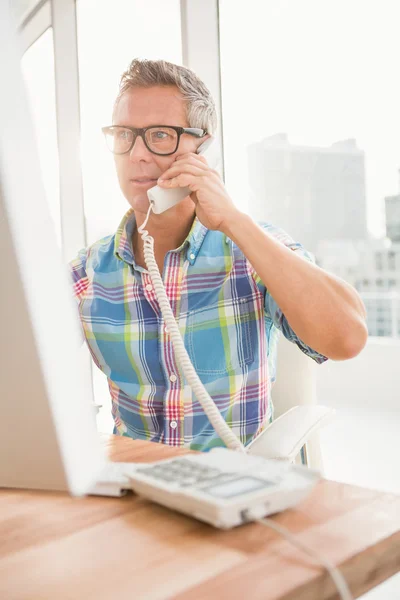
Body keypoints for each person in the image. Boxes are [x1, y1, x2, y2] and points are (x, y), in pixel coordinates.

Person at [70, 58, 368, 451]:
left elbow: (347, 338)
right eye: (124, 134)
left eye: (160, 135)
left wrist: (233, 221)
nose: (137, 154)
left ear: (202, 148)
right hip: (134, 492)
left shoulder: (252, 250)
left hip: (235, 490)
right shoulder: (87, 273)